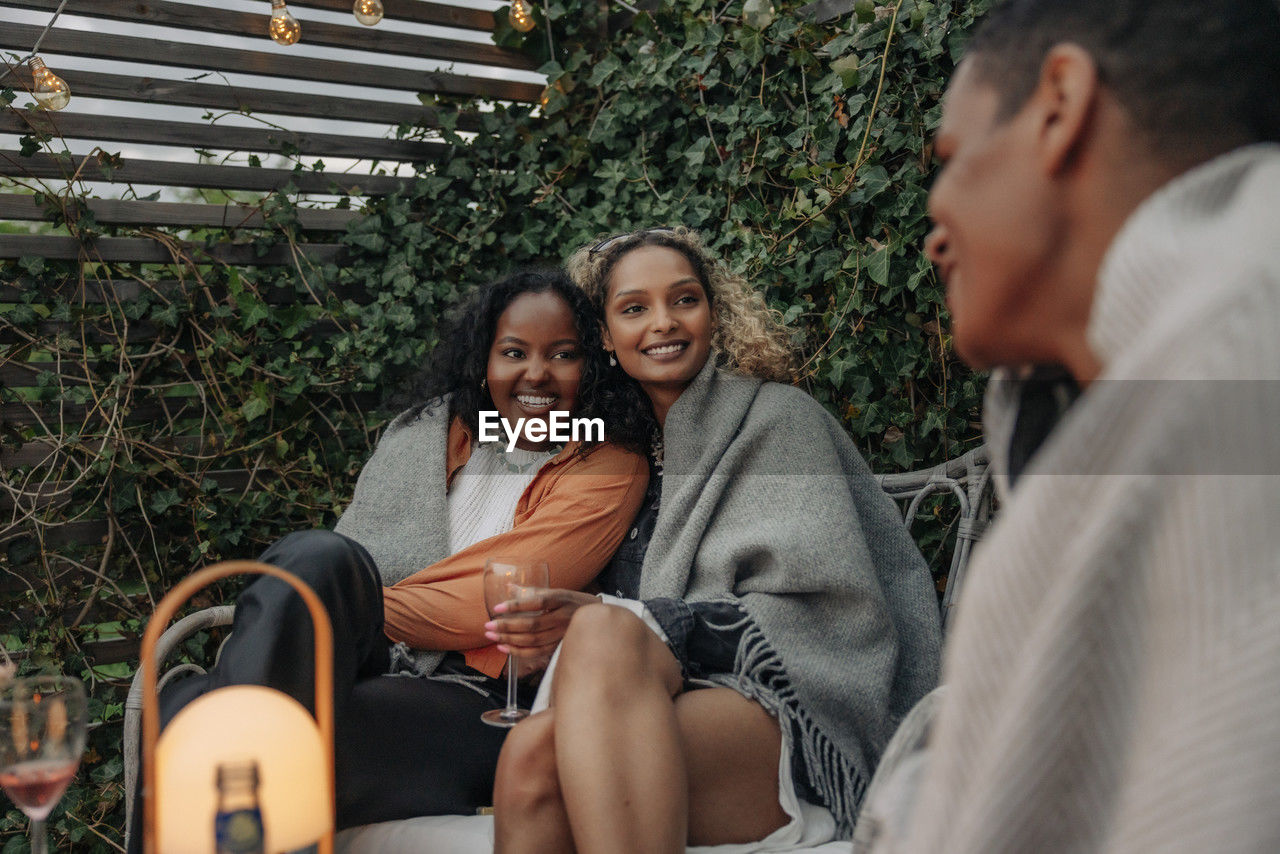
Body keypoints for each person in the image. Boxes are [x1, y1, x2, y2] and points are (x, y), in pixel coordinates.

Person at [860, 1, 1280, 852]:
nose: (934, 229)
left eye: (950, 159)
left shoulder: (1234, 360)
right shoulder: (1101, 408)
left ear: (1059, 104)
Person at [128, 269, 649, 848]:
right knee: (319, 555)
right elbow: (347, 561)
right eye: (514, 352)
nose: (536, 373)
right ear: (484, 361)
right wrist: (331, 603)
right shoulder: (426, 433)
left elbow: (494, 598)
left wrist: (343, 609)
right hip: (364, 658)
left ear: (591, 367)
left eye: (563, 355)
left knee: (192, 713)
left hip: (478, 698)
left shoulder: (607, 464)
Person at [487, 227, 943, 852]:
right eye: (634, 308)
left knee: (602, 629)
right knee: (528, 760)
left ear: (714, 312)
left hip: (795, 715)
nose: (663, 323)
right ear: (604, 337)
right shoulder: (617, 454)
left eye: (684, 300)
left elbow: (833, 612)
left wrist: (623, 619)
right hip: (656, 704)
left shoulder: (782, 420)